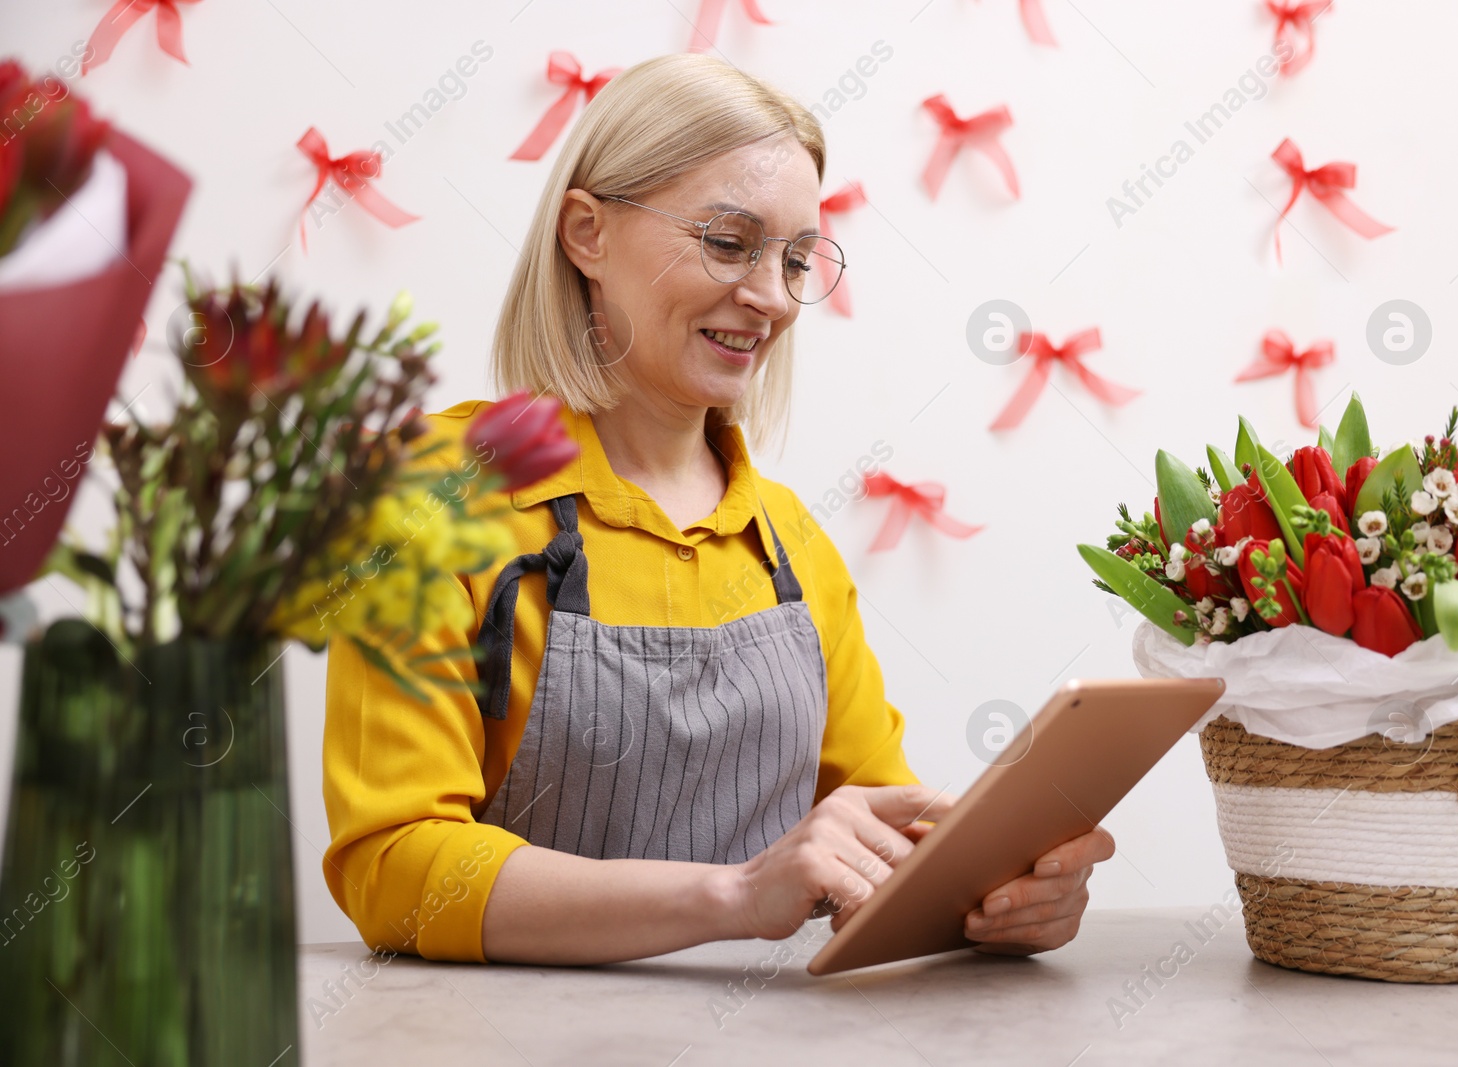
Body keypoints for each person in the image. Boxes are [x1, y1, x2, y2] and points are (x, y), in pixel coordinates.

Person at [321, 52, 1114, 967]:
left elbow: (884, 837)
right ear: (587, 232)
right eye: (730, 243)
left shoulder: (790, 544)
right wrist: (734, 897)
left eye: (796, 258)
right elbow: (395, 870)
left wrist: (994, 895)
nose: (773, 298)